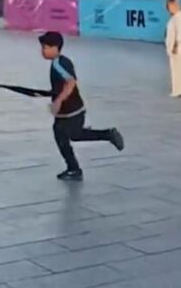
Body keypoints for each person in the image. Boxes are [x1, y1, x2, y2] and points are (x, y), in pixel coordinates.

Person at [38, 32, 125, 181]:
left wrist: (58, 100)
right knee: (69, 135)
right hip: (68, 111)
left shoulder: (59, 63)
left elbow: (70, 82)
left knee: (69, 136)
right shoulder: (58, 62)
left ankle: (76, 167)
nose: (43, 51)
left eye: (45, 47)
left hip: (71, 110)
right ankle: (74, 167)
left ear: (55, 48)